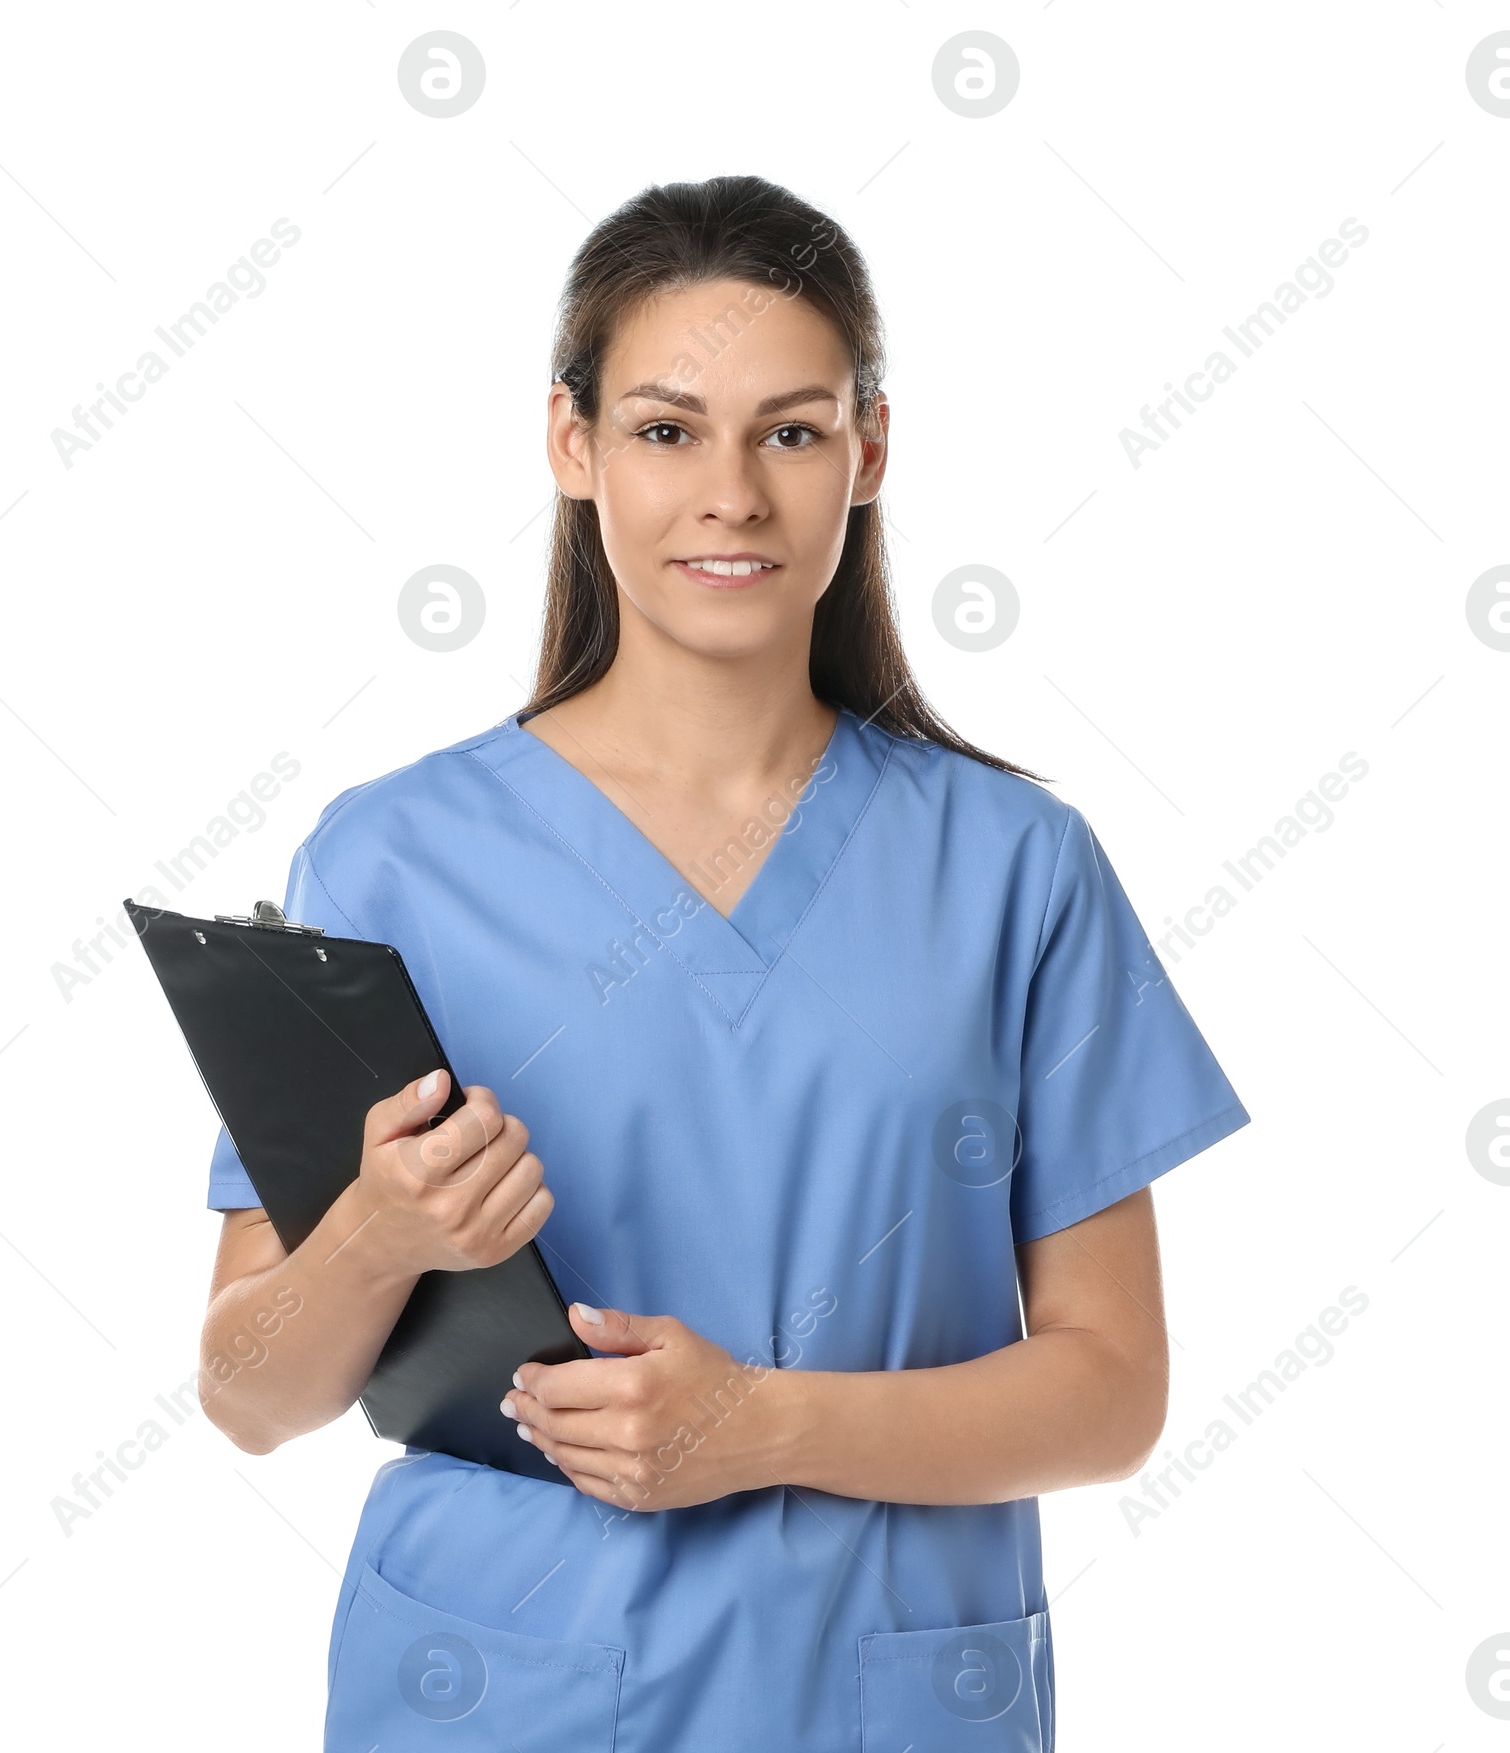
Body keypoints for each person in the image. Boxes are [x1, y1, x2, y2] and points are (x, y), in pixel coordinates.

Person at [199, 173, 1250, 1752]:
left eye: (795, 429)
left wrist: (758, 1424)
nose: (733, 495)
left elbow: (1113, 1392)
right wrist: (374, 1234)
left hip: (887, 1694)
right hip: (499, 1691)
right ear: (574, 446)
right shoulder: (391, 856)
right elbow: (250, 1394)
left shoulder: (1018, 870)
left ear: (869, 453)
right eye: (667, 428)